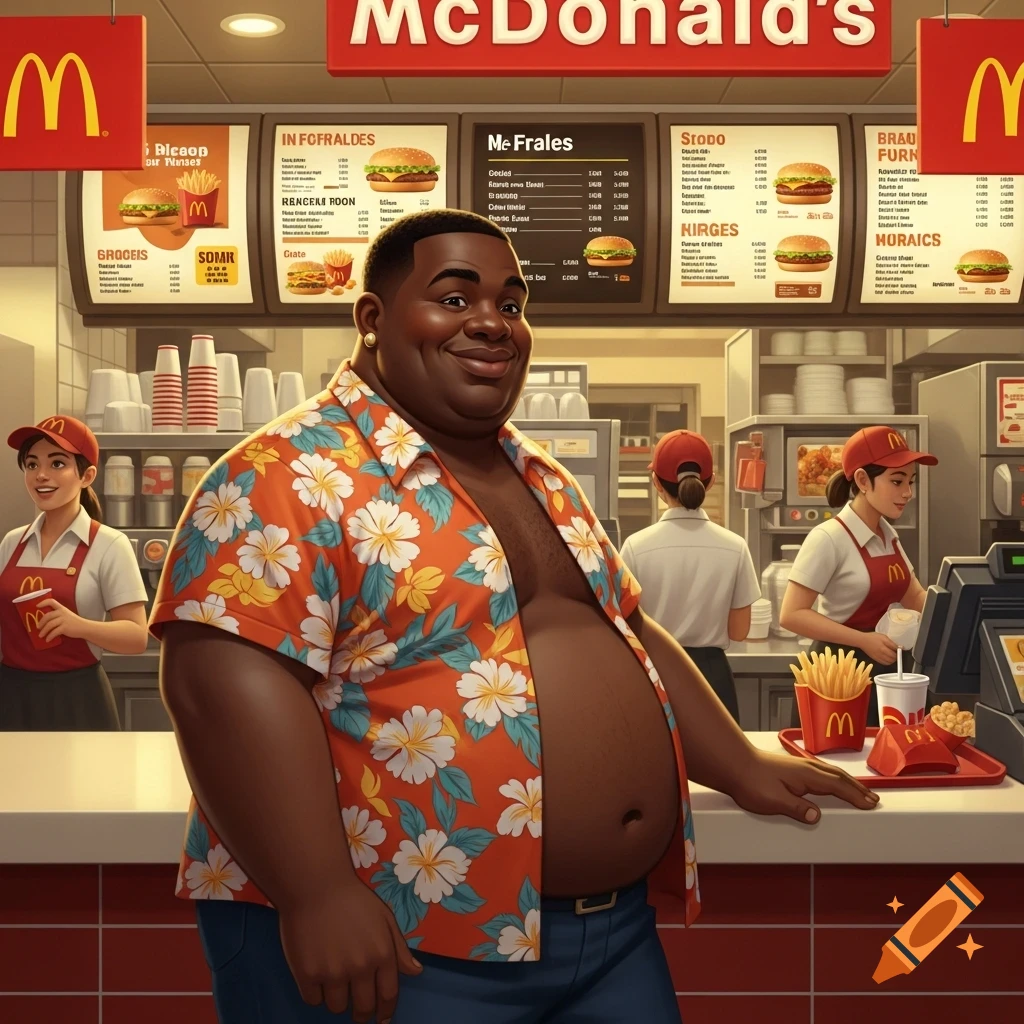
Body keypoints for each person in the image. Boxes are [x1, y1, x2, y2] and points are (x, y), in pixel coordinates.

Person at [151, 209, 878, 1024]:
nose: (492, 322)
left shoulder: (539, 474)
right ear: (372, 318)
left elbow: (628, 633)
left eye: (511, 303)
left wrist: (739, 763)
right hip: (406, 937)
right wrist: (314, 890)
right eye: (454, 299)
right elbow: (219, 679)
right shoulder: (279, 473)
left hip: (611, 937)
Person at [780, 425, 938, 727]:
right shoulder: (829, 537)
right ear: (863, 480)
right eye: (897, 481)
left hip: (888, 668)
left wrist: (958, 614)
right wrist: (863, 640)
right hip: (838, 675)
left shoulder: (888, 536)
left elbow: (915, 596)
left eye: (910, 481)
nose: (908, 492)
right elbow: (792, 614)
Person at [0, 416, 149, 730]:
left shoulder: (109, 545)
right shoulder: (12, 542)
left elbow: (137, 637)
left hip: (79, 699)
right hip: (10, 695)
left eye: (57, 464)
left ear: (87, 475)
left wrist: (78, 626)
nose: (41, 475)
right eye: (31, 464)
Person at [619, 430, 759, 724]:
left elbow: (625, 625)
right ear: (711, 481)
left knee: (659, 753)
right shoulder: (735, 546)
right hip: (712, 675)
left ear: (656, 482)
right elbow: (739, 631)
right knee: (717, 754)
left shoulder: (635, 546)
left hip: (655, 673)